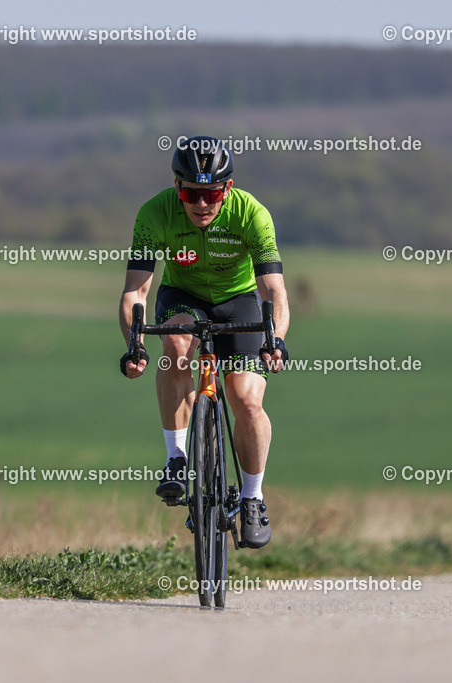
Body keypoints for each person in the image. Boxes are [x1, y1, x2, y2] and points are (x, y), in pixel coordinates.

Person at [118, 135, 289, 549]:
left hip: (240, 301)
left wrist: (276, 340)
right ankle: (177, 458)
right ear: (178, 188)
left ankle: (252, 498)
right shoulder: (154, 214)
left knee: (246, 399)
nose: (202, 204)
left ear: (226, 189)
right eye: (192, 193)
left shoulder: (252, 214)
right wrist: (134, 345)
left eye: (212, 193)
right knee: (176, 349)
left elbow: (273, 291)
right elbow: (135, 294)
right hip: (184, 299)